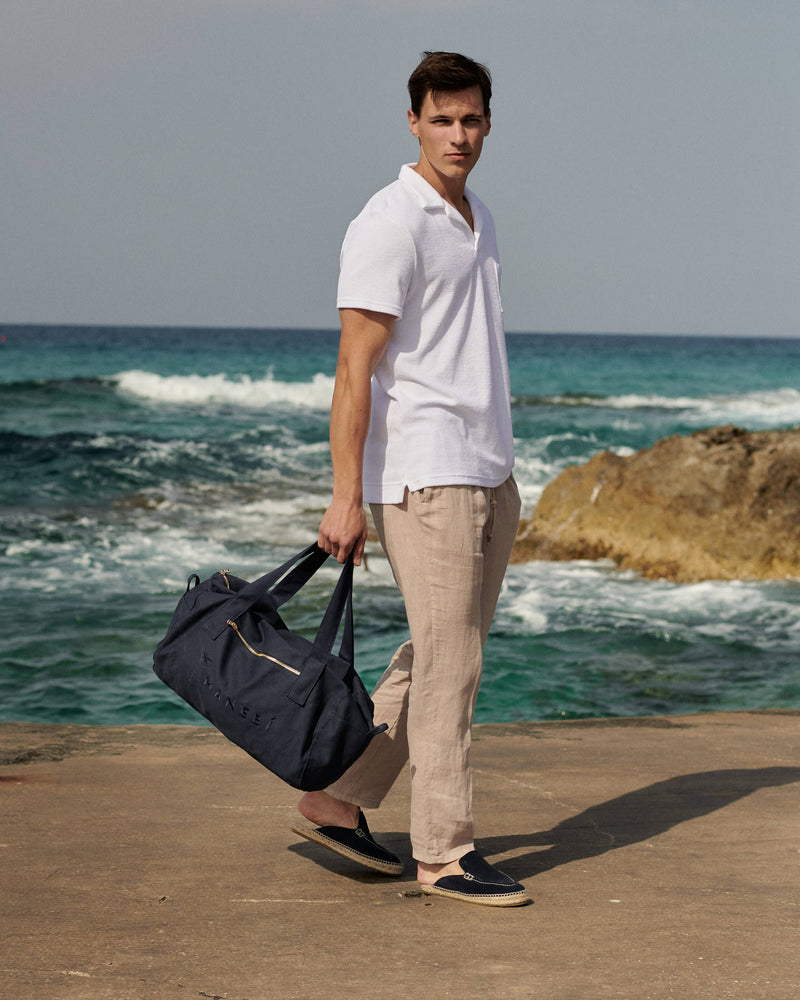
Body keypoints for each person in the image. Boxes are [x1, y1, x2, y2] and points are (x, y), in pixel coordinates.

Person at [292, 51, 527, 907]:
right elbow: (353, 368)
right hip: (428, 473)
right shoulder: (390, 221)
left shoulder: (475, 216)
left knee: (441, 655)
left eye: (471, 119)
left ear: (488, 123)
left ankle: (338, 798)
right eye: (442, 119)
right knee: (452, 669)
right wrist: (345, 495)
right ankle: (443, 853)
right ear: (414, 122)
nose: (458, 134)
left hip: (486, 467)